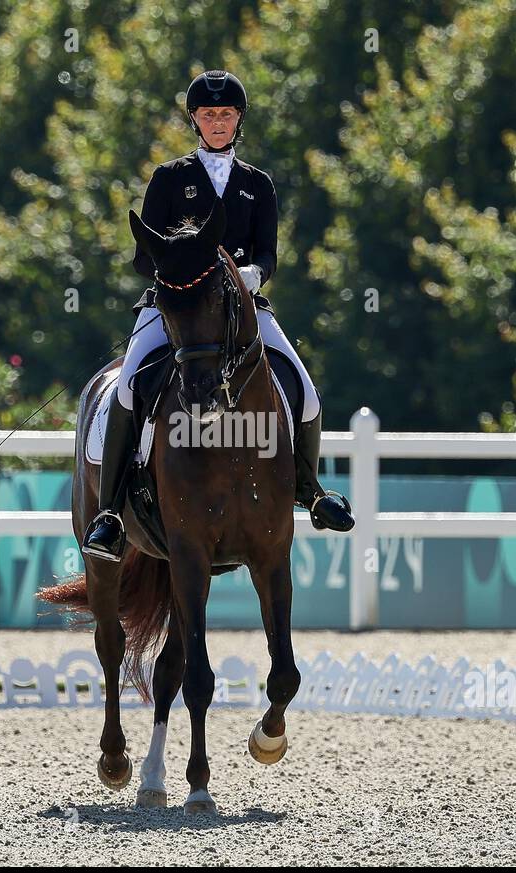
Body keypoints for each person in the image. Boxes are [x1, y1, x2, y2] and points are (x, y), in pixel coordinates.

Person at [81, 69, 354, 563]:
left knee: (305, 390)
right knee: (125, 389)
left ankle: (312, 492)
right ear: (195, 120)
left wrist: (253, 274)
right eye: (209, 115)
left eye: (226, 114)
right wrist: (176, 262)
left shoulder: (257, 185)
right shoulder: (170, 179)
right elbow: (144, 258)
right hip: (177, 310)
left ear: (238, 120)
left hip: (241, 311)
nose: (218, 123)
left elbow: (269, 254)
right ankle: (111, 514)